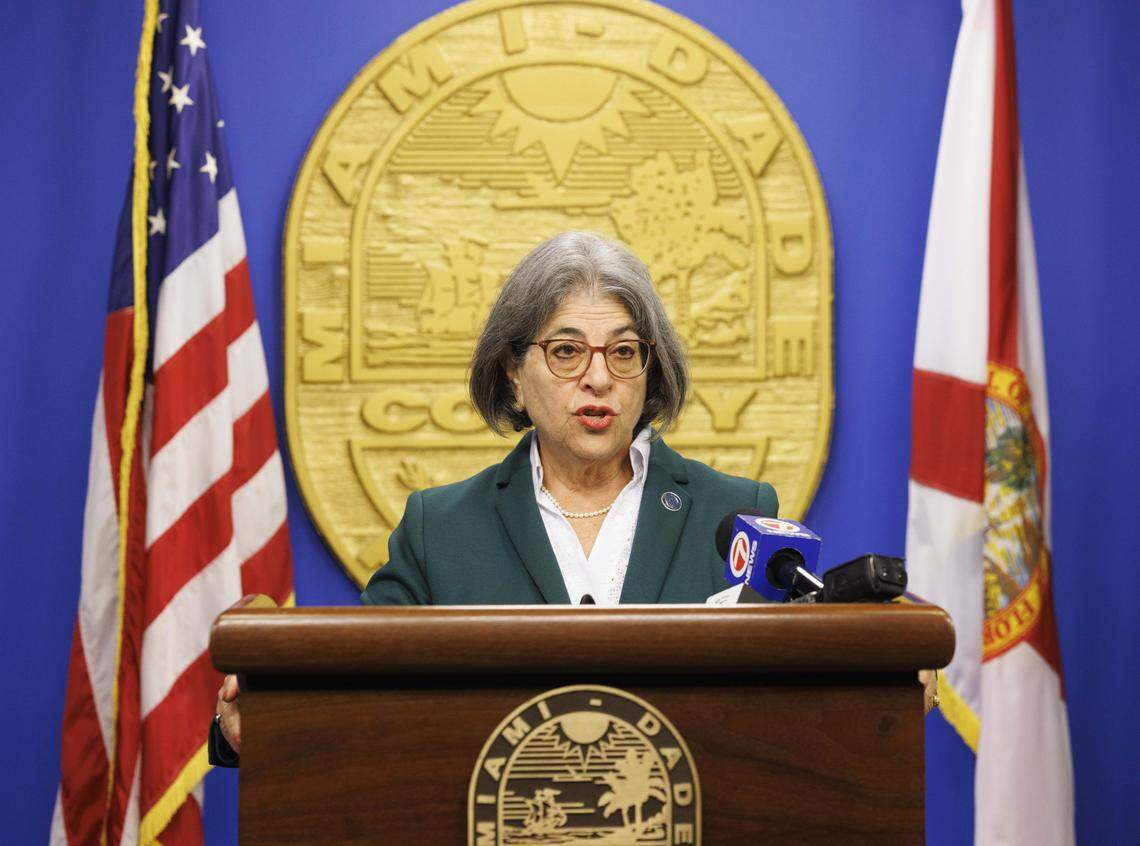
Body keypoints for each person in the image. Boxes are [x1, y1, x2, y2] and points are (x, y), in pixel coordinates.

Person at [212, 231, 936, 764]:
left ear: (651, 375)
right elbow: (356, 698)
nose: (598, 379)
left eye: (624, 352)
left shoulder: (735, 513)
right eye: (566, 351)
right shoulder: (441, 528)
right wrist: (264, 722)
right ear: (513, 376)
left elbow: (794, 703)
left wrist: (881, 680)